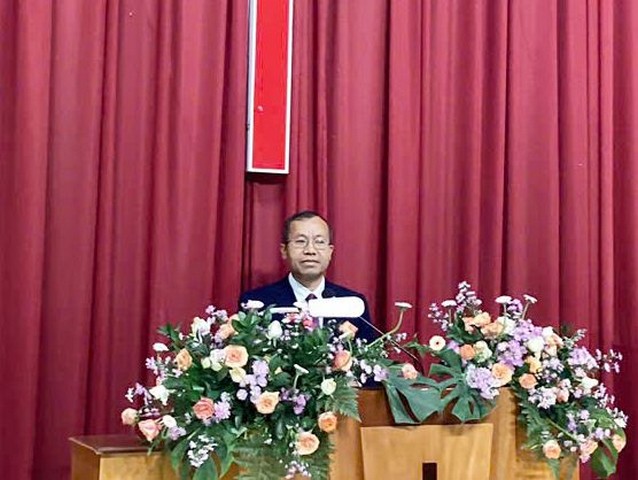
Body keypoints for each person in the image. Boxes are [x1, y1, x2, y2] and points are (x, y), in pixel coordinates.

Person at [239, 210, 376, 342]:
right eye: (300, 241)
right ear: (284, 250)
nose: (310, 250)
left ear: (330, 252)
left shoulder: (353, 304)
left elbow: (370, 354)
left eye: (319, 242)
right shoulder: (257, 303)